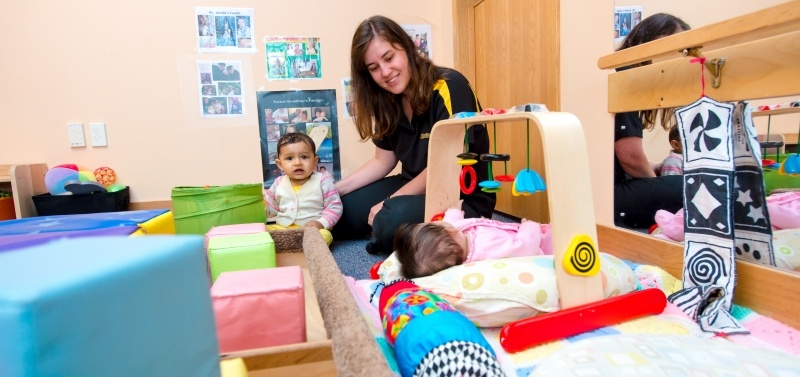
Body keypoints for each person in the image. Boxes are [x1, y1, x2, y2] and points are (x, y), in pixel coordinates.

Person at [332, 15, 496, 254]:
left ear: (407, 47)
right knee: (339, 211)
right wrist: (333, 190)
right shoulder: (387, 99)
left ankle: (385, 227)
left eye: (389, 58)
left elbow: (450, 165)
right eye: (374, 68)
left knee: (390, 220)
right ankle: (384, 225)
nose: (386, 72)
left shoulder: (450, 85)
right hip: (411, 186)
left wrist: (389, 203)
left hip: (461, 196)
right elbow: (382, 160)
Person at [614, 13, 690, 229]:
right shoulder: (625, 77)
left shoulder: (622, 73)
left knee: (687, 184)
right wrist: (655, 182)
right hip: (609, 195)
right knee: (694, 187)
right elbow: (630, 157)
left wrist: (652, 170)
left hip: (600, 187)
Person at [393, 201, 551, 278]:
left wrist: (454, 212)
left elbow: (453, 224)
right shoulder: (487, 246)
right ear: (449, 231)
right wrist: (529, 226)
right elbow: (524, 246)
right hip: (542, 244)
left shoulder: (458, 242)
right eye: (431, 223)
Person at [265, 133, 343, 245]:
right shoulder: (278, 183)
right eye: (289, 158)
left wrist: (320, 223)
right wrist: (262, 207)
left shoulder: (323, 181)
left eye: (304, 157)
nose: (297, 163)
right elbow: (271, 209)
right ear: (280, 164)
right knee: (263, 232)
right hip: (283, 229)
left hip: (312, 230)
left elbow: (334, 206)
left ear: (315, 161)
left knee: (325, 236)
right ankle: (288, 243)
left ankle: (299, 245)